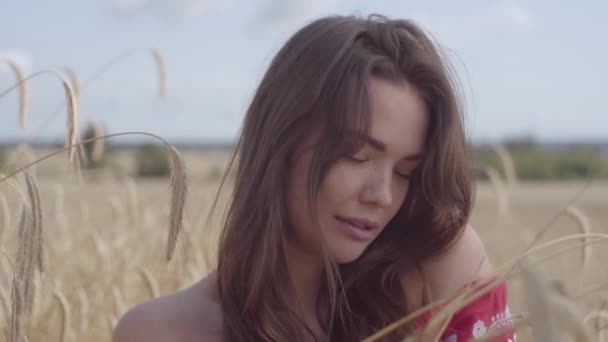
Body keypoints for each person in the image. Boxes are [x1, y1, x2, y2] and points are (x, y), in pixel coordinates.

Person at [112, 14, 516, 342]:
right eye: (356, 156)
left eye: (405, 172)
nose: (383, 196)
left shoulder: (442, 274)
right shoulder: (160, 332)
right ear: (280, 142)